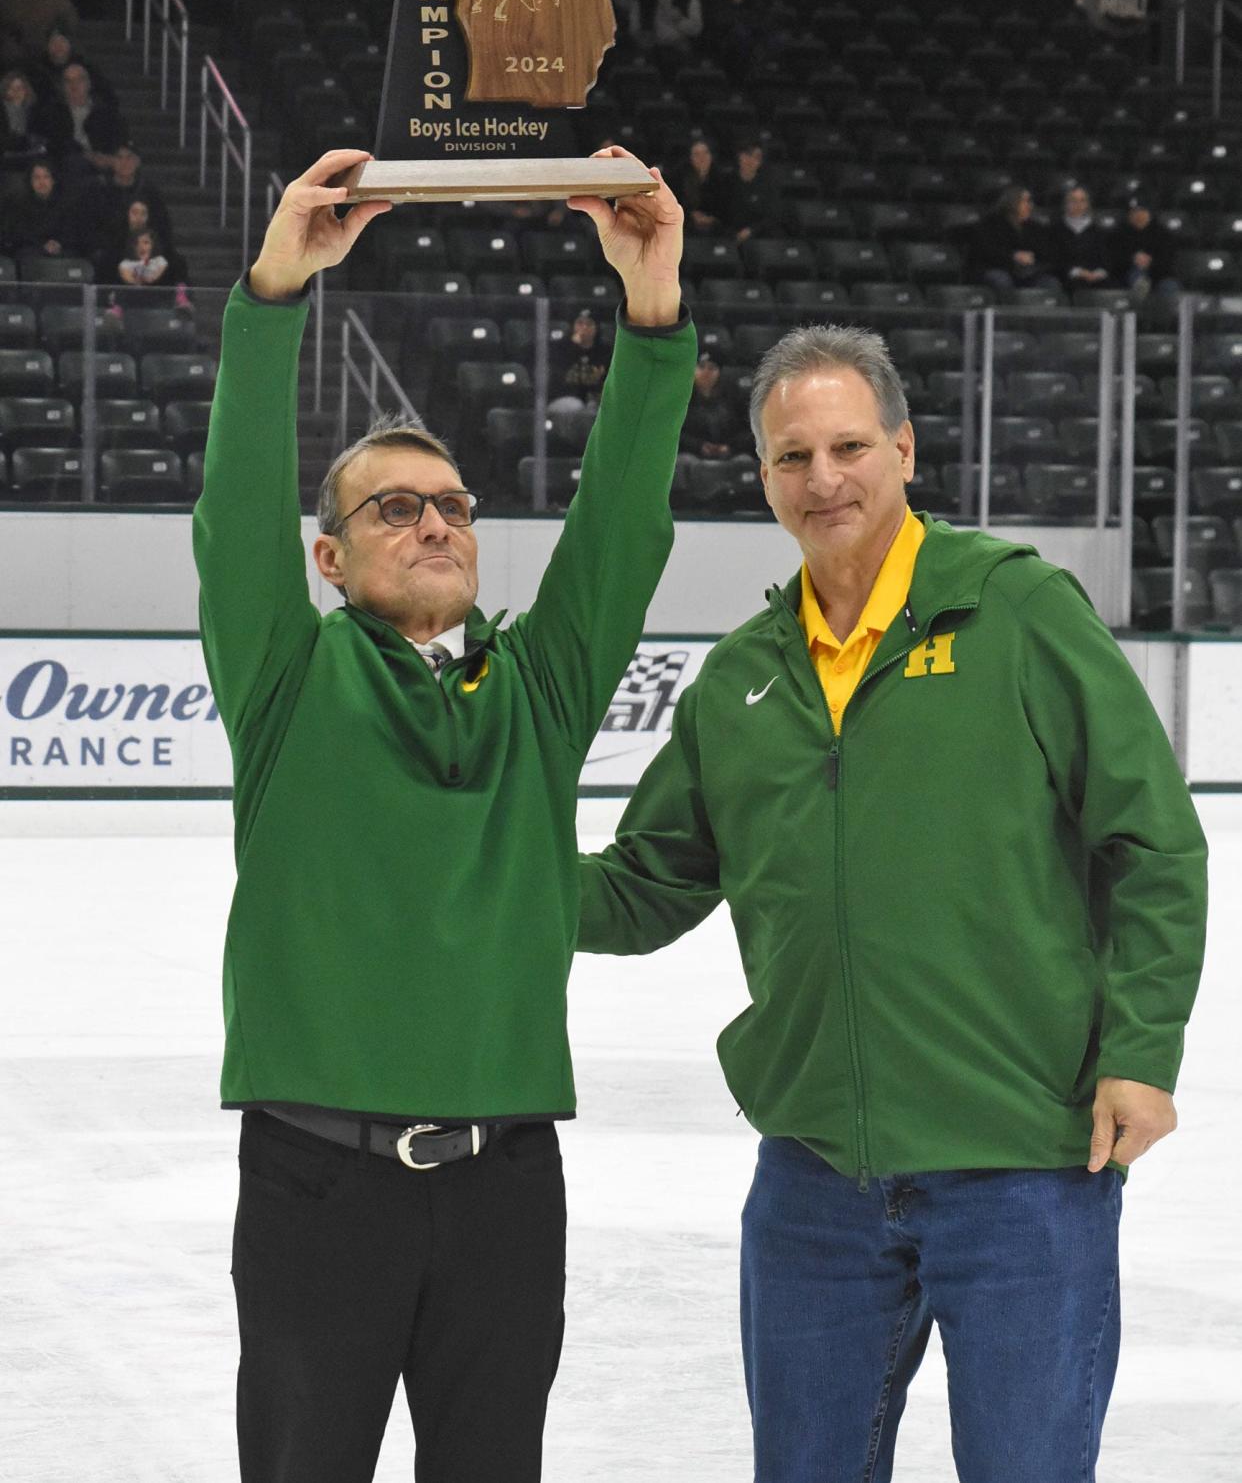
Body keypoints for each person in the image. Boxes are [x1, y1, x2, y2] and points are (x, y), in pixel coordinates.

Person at [577, 321, 1207, 1483]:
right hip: (816, 1176)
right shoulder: (742, 678)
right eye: (792, 457)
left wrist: (1143, 1047)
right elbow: (642, 886)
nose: (825, 479)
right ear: (762, 476)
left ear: (905, 449)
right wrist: (470, 859)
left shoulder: (1014, 614)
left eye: (849, 446)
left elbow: (1155, 840)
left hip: (1025, 1161)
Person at [193, 144, 694, 1483]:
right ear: (329, 554)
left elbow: (619, 535)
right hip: (317, 1183)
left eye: (453, 505)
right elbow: (231, 505)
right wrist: (274, 293)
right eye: (394, 505)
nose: (435, 522)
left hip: (505, 1183)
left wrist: (652, 312)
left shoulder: (536, 688)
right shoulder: (287, 681)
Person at [970, 184, 1060, 294]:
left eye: (1030, 201)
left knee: (1050, 283)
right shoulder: (991, 224)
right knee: (1001, 280)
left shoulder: (1035, 227)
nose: (1030, 206)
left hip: (1026, 273)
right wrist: (1013, 256)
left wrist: (1032, 258)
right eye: (1025, 201)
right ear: (1011, 202)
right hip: (997, 268)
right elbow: (986, 251)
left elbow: (1046, 252)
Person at [42, 63, 125, 179]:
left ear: (88, 84)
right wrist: (88, 156)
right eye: (68, 81)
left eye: (79, 80)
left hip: (104, 160)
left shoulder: (105, 111)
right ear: (62, 86)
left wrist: (111, 158)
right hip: (68, 163)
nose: (74, 85)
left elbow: (118, 138)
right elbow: (57, 142)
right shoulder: (54, 111)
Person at [547, 309, 612, 449]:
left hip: (594, 402)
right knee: (575, 406)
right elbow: (555, 383)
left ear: (596, 329)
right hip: (564, 401)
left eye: (589, 324)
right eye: (580, 323)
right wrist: (572, 347)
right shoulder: (560, 349)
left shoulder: (606, 353)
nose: (584, 328)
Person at [0, 158, 80, 261]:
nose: (42, 182)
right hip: (31, 250)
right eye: (36, 178)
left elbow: (72, 230)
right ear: (30, 181)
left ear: (53, 180)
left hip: (61, 249)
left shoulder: (66, 203)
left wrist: (58, 243)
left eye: (46, 177)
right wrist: (42, 244)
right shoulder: (18, 204)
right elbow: (17, 233)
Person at [1113, 196, 1179, 301]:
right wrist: (1133, 259)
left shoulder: (1163, 234)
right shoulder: (1118, 235)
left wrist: (1150, 261)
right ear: (1129, 215)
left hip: (1158, 276)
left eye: (1142, 211)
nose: (1139, 215)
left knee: (1169, 286)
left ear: (1150, 213)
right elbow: (1113, 260)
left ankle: (1164, 316)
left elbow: (1168, 262)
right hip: (1127, 276)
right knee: (1137, 275)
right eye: (1134, 212)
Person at [1049, 182, 1111, 289]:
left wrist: (1098, 272)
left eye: (1082, 200)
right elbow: (1055, 261)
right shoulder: (1055, 229)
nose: (1078, 204)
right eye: (1073, 200)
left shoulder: (1097, 230)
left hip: (1095, 277)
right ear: (1066, 203)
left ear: (1087, 204)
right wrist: (1077, 272)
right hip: (1067, 278)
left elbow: (1104, 259)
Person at [721, 139, 781, 242]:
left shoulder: (768, 184)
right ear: (739, 156)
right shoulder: (725, 181)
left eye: (756, 157)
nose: (751, 160)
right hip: (727, 235)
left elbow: (771, 216)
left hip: (759, 236)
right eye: (747, 155)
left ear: (760, 162)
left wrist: (751, 231)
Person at [0, 69, 52, 175]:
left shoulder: (35, 111)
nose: (16, 92)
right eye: (11, 88)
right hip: (6, 159)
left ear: (26, 90)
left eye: (19, 88)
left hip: (32, 157)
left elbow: (42, 136)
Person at [676, 137, 729, 233]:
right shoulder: (680, 179)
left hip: (718, 231)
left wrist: (712, 218)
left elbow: (726, 207)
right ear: (690, 158)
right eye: (697, 154)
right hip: (687, 229)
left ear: (711, 155)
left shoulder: (723, 179)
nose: (702, 158)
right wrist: (691, 215)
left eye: (705, 153)